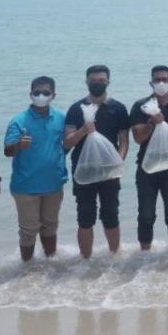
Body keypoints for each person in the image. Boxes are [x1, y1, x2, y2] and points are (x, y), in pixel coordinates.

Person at [63, 65, 130, 258]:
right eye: (93, 81)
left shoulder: (118, 108)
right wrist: (84, 130)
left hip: (110, 171)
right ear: (86, 82)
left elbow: (124, 141)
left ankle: (114, 258)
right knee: (85, 217)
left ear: (108, 82)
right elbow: (67, 143)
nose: (97, 84)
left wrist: (118, 162)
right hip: (83, 171)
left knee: (111, 216)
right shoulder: (76, 109)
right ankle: (85, 262)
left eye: (101, 81)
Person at [5, 76, 68, 260]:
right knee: (28, 230)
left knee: (50, 226)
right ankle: (26, 268)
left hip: (54, 184)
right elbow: (8, 151)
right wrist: (18, 144)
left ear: (53, 95)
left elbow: (68, 143)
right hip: (26, 186)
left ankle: (50, 263)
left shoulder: (61, 117)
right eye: (37, 92)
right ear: (30, 94)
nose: (41, 95)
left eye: (46, 92)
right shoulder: (19, 120)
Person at [129, 65, 168, 251]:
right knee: (146, 215)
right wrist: (151, 123)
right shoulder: (140, 107)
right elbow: (138, 138)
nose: (161, 83)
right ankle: (144, 255)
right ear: (151, 83)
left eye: (164, 79)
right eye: (157, 80)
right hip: (146, 168)